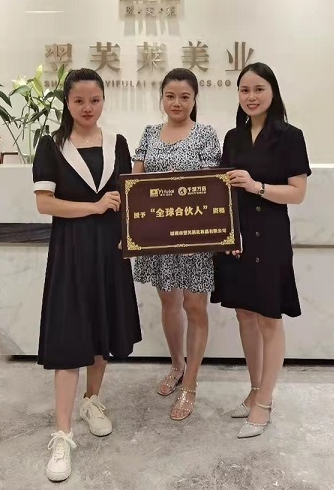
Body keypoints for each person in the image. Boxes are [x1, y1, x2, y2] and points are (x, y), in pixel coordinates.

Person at [32, 68, 142, 482]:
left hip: (110, 252)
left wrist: (131, 232)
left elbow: (129, 197)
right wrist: (94, 207)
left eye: (94, 100)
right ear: (67, 102)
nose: (87, 108)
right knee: (69, 338)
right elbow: (45, 203)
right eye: (79, 101)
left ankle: (92, 400)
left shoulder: (117, 144)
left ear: (103, 100)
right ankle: (62, 435)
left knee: (102, 330)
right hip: (72, 252)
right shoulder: (51, 145)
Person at [211, 62, 311, 439]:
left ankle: (265, 401)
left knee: (269, 318)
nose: (251, 97)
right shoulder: (233, 137)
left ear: (273, 92)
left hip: (269, 236)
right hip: (237, 239)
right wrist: (226, 234)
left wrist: (257, 186)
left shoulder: (290, 136)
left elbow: (297, 193)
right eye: (244, 90)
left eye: (258, 89)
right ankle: (254, 390)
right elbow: (221, 190)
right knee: (244, 314)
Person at [132, 68, 222, 420]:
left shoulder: (206, 134)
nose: (177, 103)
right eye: (170, 96)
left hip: (195, 236)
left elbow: (212, 185)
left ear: (195, 99)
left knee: (195, 306)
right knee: (169, 302)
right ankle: (177, 365)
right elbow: (136, 183)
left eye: (185, 96)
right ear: (162, 98)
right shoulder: (149, 134)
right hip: (159, 237)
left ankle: (191, 384)